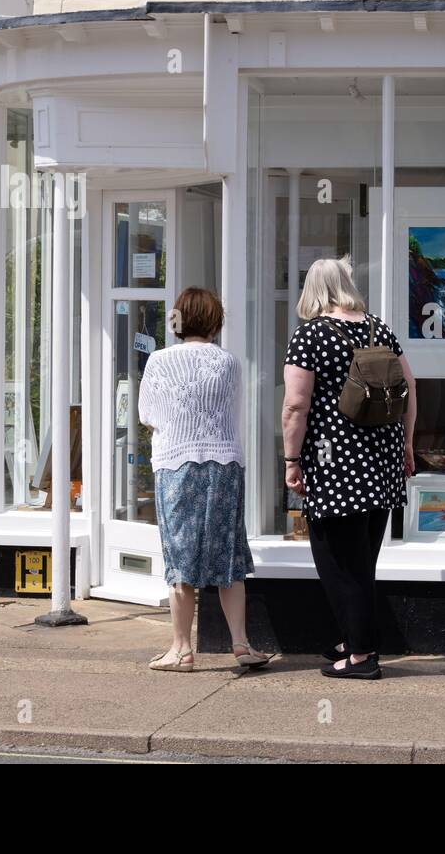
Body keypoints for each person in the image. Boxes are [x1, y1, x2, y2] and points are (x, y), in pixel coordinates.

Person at [282, 256, 417, 680]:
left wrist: (290, 459)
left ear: (312, 290)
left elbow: (295, 405)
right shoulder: (379, 329)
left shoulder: (311, 335)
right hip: (382, 462)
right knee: (361, 561)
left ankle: (361, 656)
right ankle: (351, 637)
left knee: (338, 563)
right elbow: (411, 389)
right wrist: (408, 444)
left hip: (333, 463)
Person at [138, 286, 270, 672]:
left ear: (178, 319)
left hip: (176, 465)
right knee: (228, 556)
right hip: (224, 466)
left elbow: (148, 413)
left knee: (181, 558)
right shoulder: (227, 362)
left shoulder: (159, 361)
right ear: (215, 320)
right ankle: (241, 643)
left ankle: (181, 648)